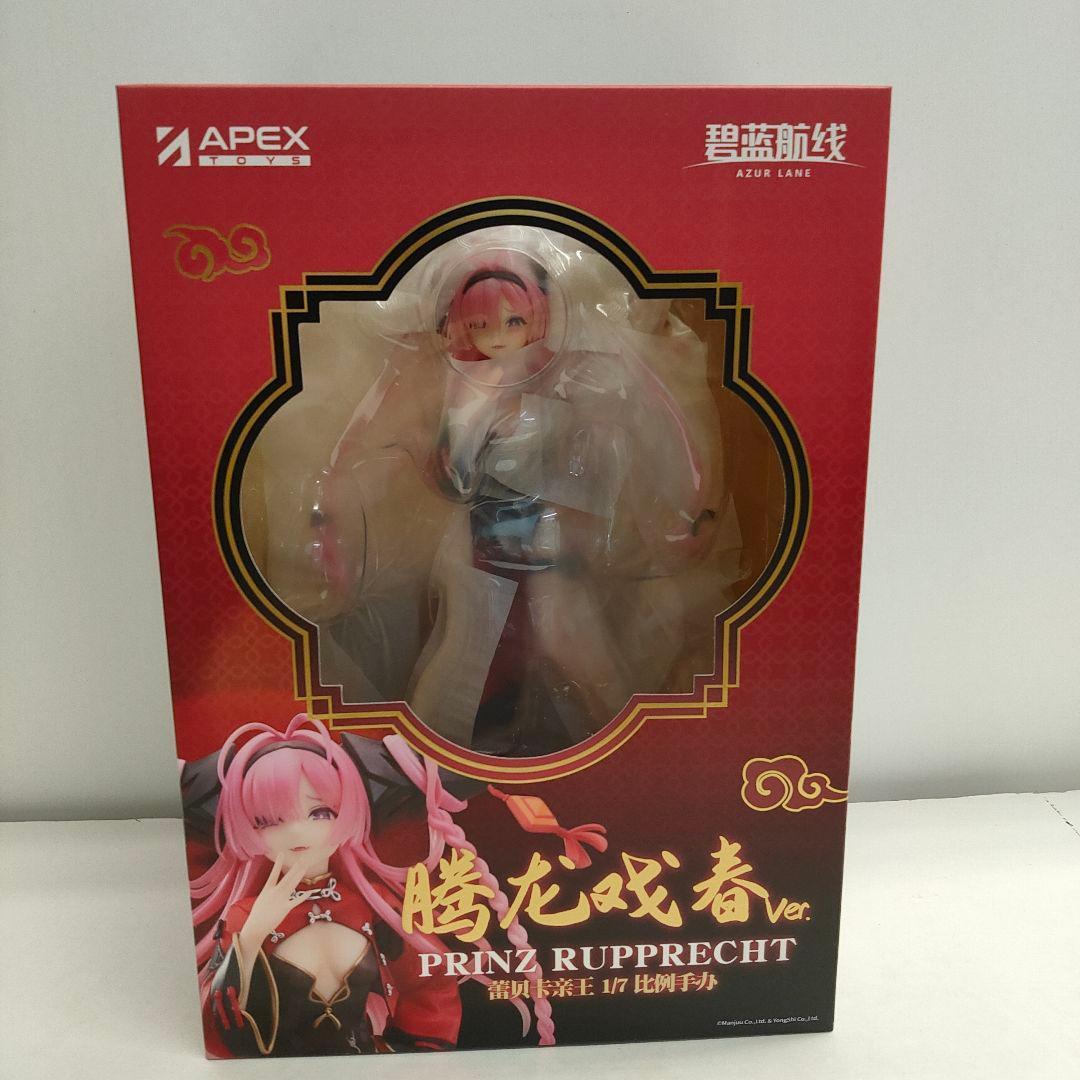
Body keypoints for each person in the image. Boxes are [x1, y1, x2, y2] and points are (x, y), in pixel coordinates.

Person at [189, 713, 554, 1056]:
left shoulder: (370, 906)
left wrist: (410, 1055)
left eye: (320, 812)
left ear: (348, 810)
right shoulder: (245, 917)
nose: (297, 831)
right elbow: (216, 1028)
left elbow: (431, 982)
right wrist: (251, 937)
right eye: (268, 820)